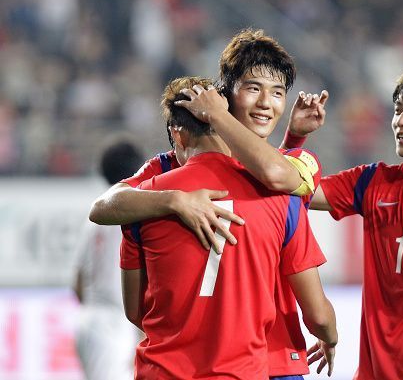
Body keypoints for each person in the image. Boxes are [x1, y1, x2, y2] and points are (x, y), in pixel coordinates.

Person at [189, 56, 403, 379]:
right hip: (376, 370)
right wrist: (294, 140)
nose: (401, 121)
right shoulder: (375, 181)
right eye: (399, 109)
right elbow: (290, 192)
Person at [89, 29, 333, 378]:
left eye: (277, 93)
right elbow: (103, 205)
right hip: (239, 362)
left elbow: (274, 173)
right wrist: (176, 201)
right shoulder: (167, 168)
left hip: (270, 355)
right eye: (253, 88)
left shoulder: (293, 165)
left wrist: (291, 139)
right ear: (225, 97)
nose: (266, 102)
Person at [72, 138, 143, 380]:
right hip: (114, 324)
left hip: (87, 318)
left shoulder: (94, 218)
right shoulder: (133, 213)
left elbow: (78, 284)